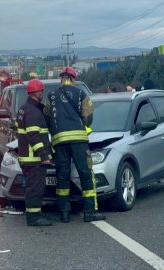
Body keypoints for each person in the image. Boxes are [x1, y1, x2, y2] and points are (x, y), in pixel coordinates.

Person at [44, 67, 106, 223]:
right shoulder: (81, 94)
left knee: (62, 176)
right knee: (85, 174)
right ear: (73, 79)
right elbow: (88, 117)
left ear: (60, 78)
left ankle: (64, 213)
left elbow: (46, 117)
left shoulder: (51, 96)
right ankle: (90, 212)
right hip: (79, 141)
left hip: (59, 142)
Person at [17, 79, 53, 226]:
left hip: (28, 158)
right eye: (41, 92)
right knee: (35, 189)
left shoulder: (25, 109)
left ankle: (35, 215)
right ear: (38, 93)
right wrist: (43, 155)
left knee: (34, 188)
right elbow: (33, 136)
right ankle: (33, 218)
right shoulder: (32, 112)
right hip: (34, 159)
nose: (42, 94)